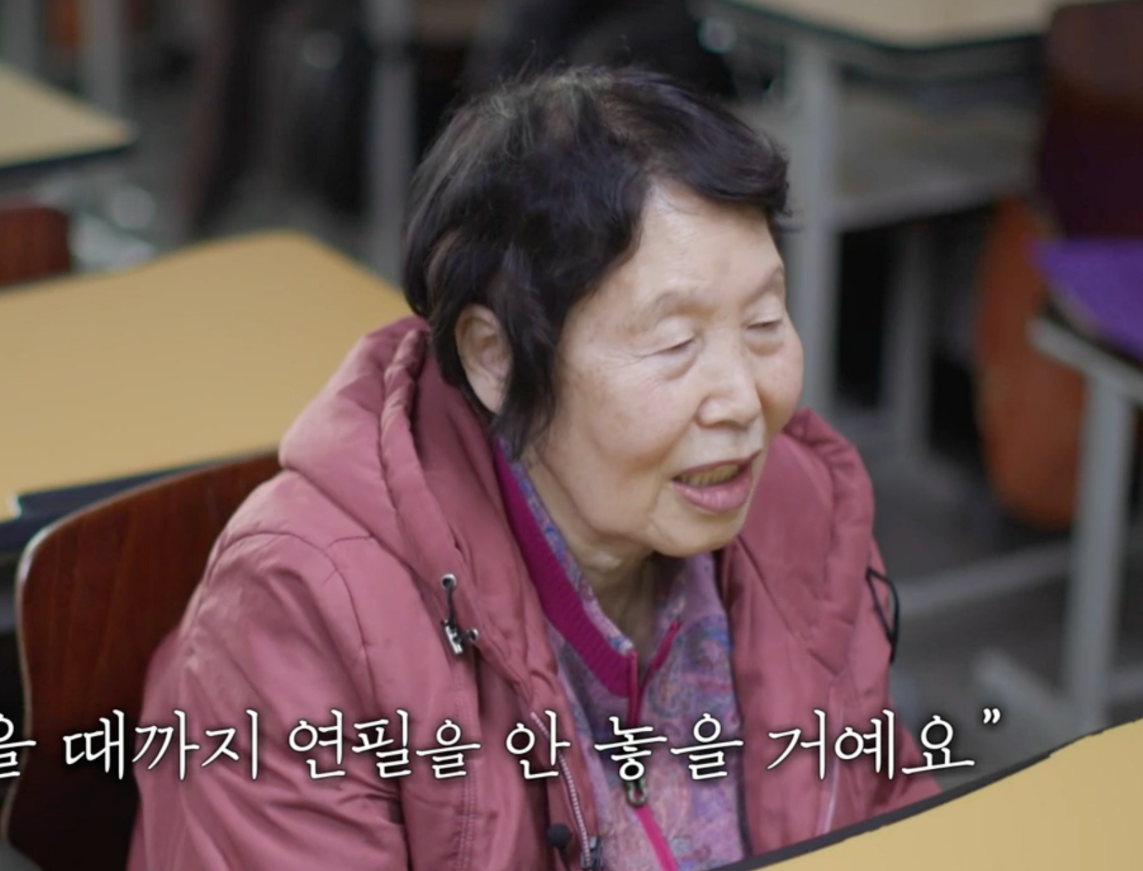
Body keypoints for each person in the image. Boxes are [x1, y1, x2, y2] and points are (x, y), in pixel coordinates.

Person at [127, 65, 939, 871]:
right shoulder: (304, 608)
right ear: (495, 356)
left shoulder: (793, 501)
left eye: (763, 323)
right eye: (674, 344)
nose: (742, 398)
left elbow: (887, 810)